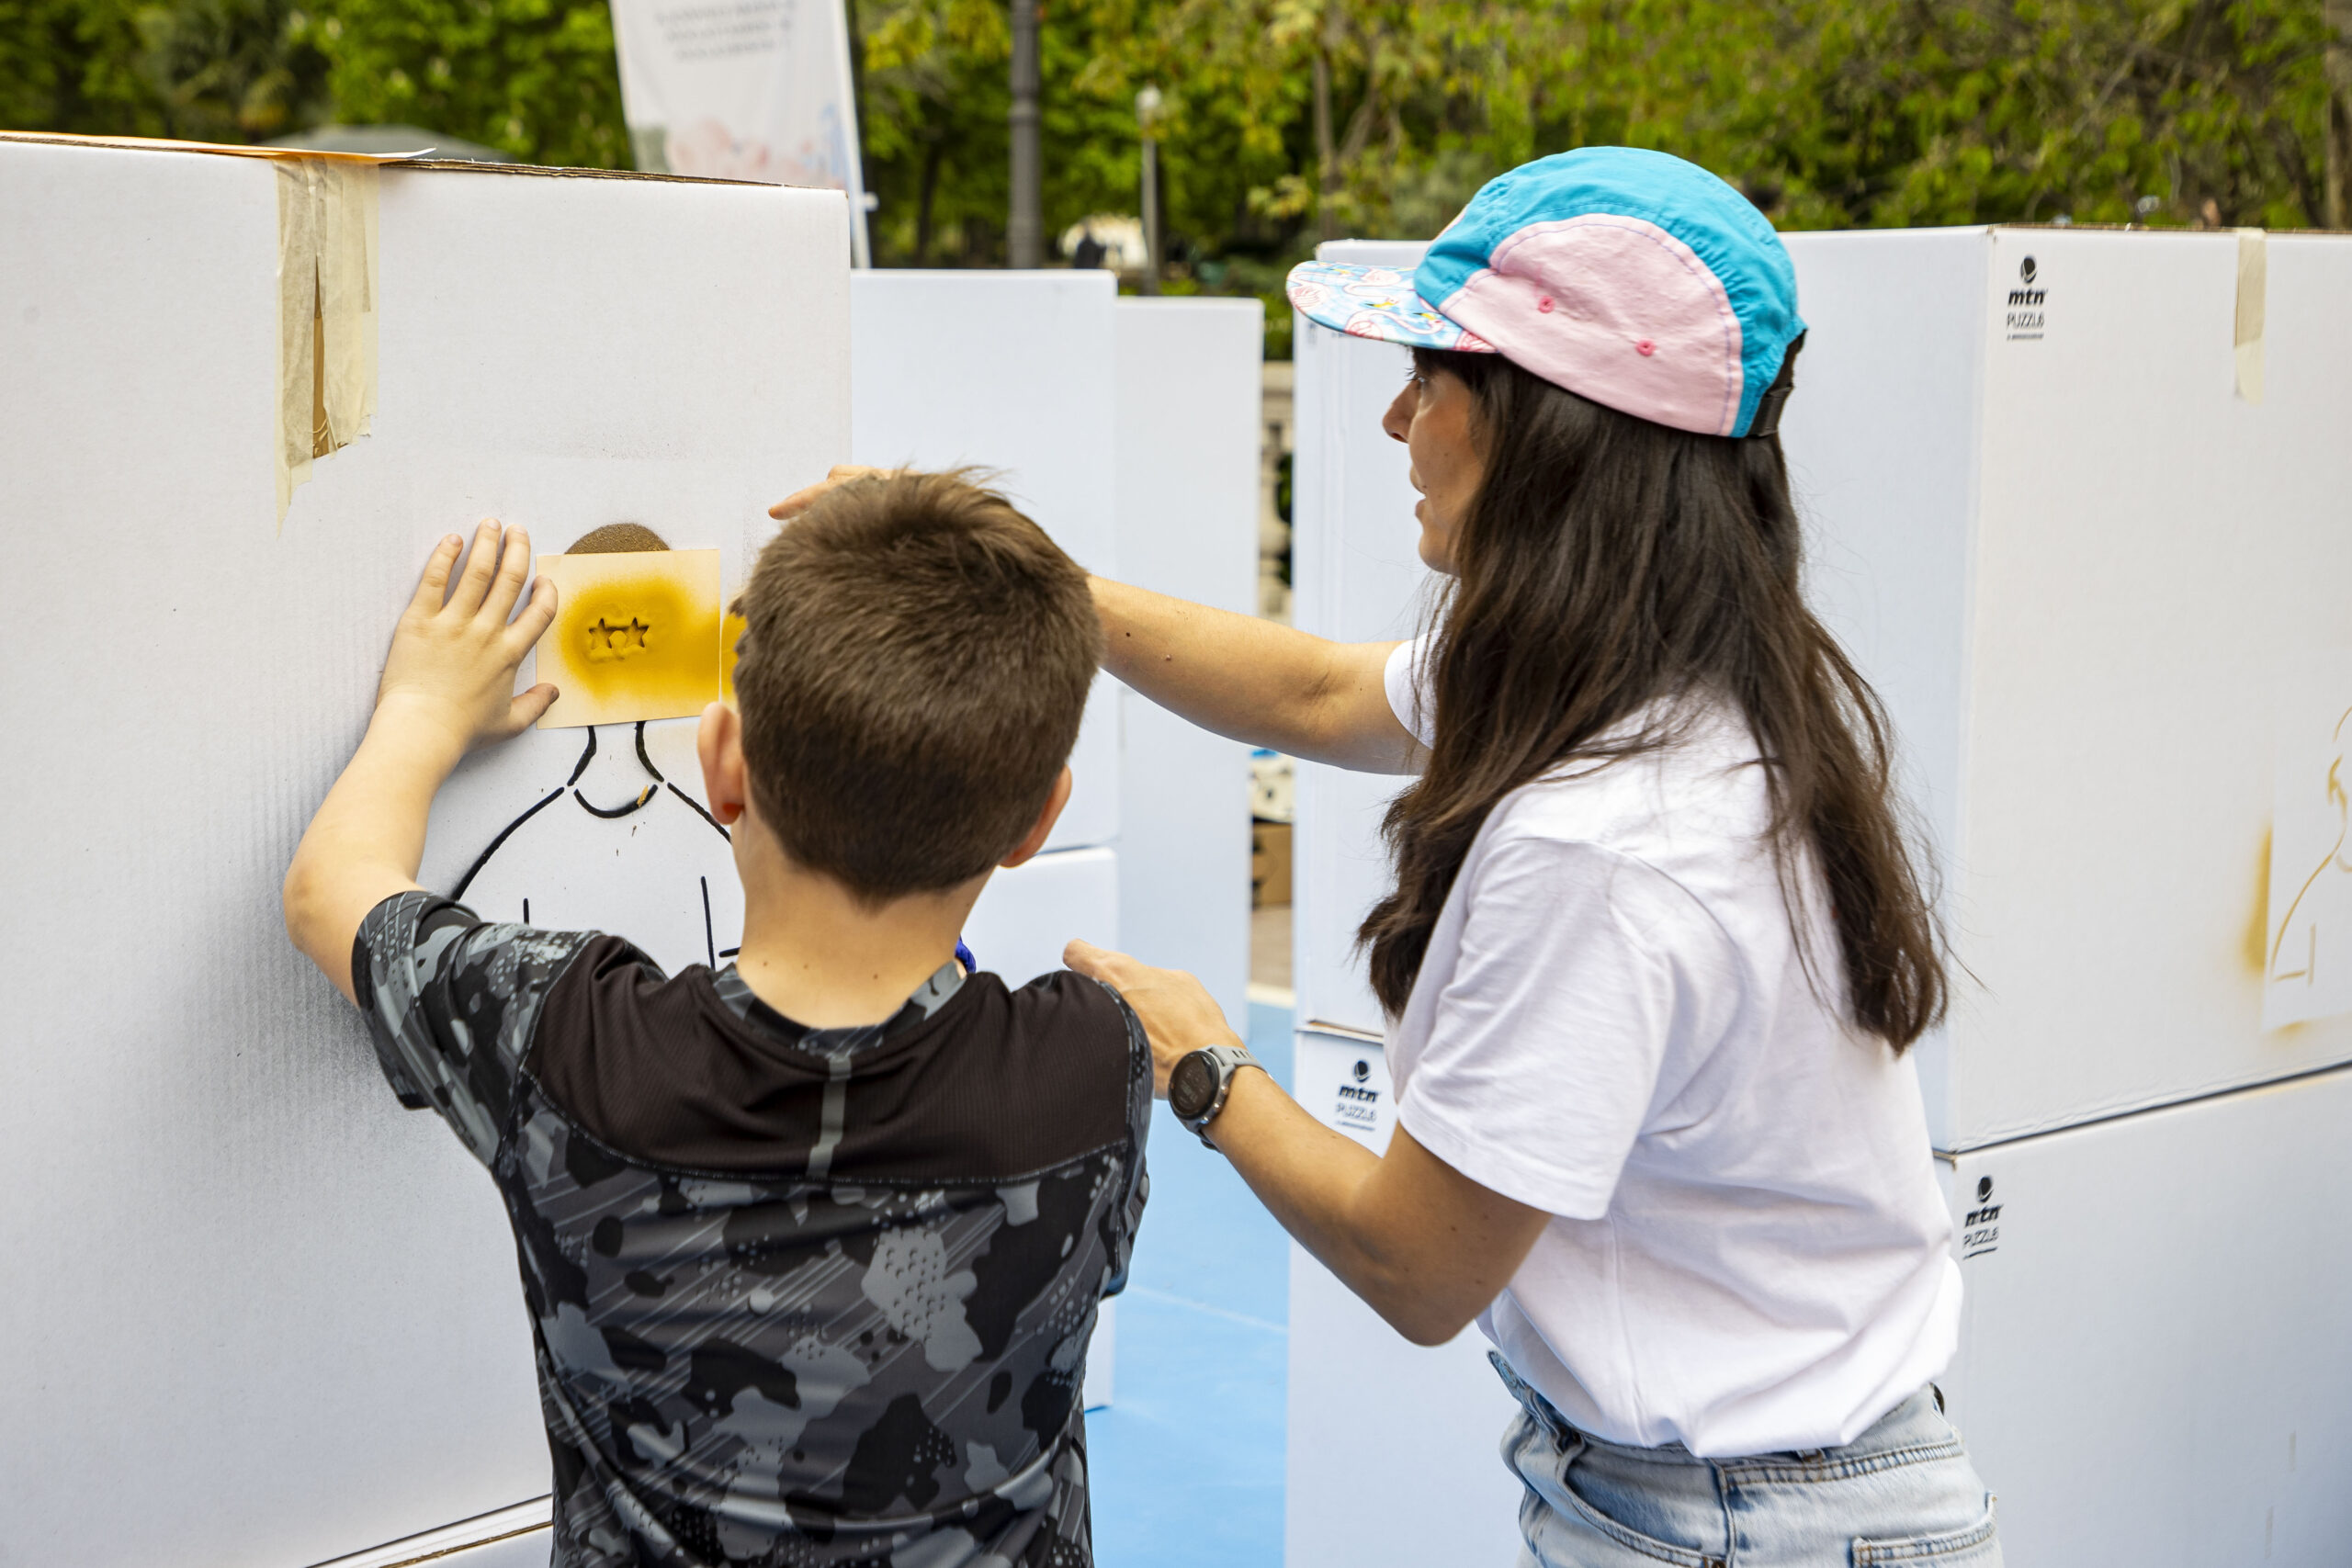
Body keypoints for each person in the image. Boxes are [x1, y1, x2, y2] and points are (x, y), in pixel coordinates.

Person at [1081, 147, 1996, 1562]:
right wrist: (1044, 586)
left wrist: (1201, 1056)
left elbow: (1418, 1260)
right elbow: (1319, 690)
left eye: (1431, 377)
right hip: (1774, 1501)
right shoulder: (1665, 675)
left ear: (1549, 427)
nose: (1395, 417)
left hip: (1740, 1526)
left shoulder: (1607, 838)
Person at [283, 472, 1150, 1568]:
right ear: (1038, 821)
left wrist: (418, 710)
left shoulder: (565, 1041)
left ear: (723, 765)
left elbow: (331, 889)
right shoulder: (1091, 1065)